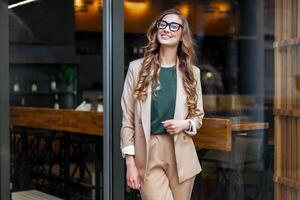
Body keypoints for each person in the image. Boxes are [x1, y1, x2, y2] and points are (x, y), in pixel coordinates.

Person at [120, 9, 204, 200]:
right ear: (156, 30)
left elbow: (197, 117)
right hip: (148, 152)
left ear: (182, 35)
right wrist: (130, 163)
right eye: (163, 24)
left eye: (174, 25)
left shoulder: (193, 73)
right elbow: (128, 119)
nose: (167, 29)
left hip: (181, 153)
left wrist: (184, 124)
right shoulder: (136, 68)